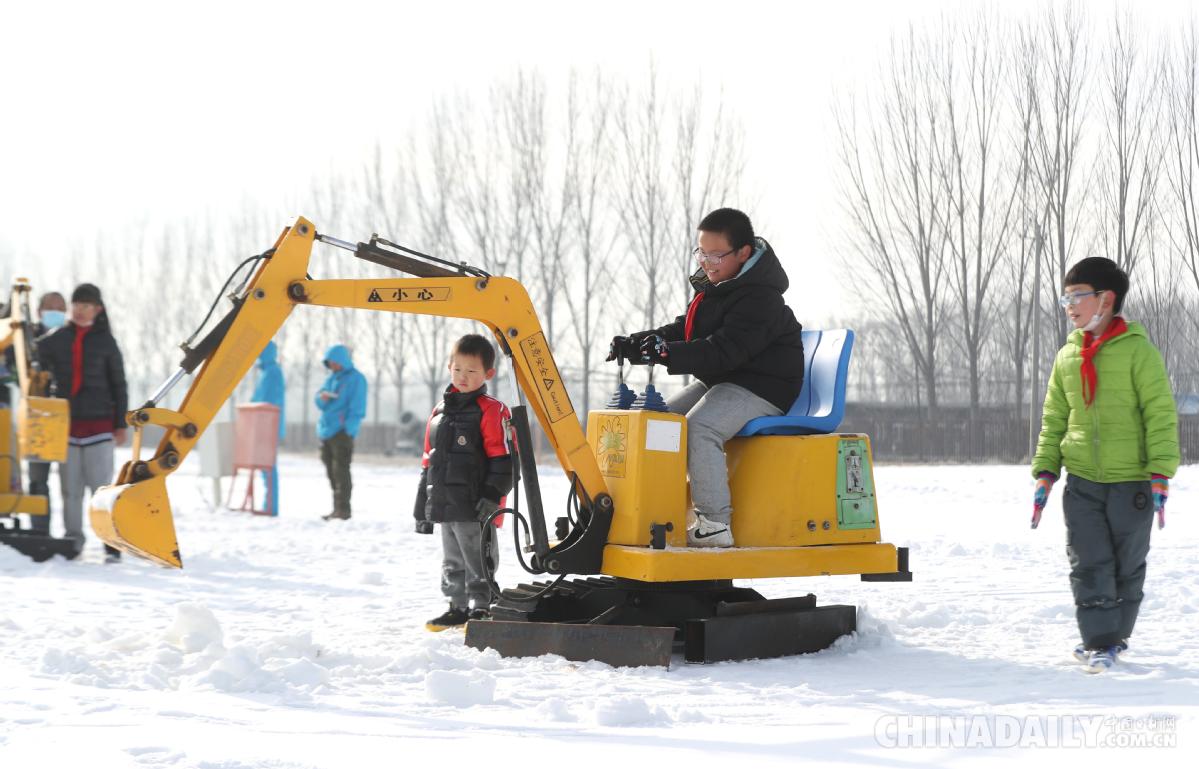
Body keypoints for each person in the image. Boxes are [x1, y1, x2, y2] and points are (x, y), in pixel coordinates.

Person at [607, 208, 804, 548]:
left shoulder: (761, 298)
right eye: (701, 252)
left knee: (700, 428)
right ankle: (656, 507)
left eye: (715, 255)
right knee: (660, 422)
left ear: (744, 253)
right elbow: (684, 330)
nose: (706, 262)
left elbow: (725, 350)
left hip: (763, 386)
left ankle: (714, 524)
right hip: (725, 381)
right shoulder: (718, 287)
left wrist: (668, 353)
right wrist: (639, 344)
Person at [1031, 257, 1179, 672]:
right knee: (1088, 560)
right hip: (1082, 482)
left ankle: (1115, 637)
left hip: (1131, 482)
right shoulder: (1067, 357)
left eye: (1078, 296)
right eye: (1066, 297)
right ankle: (1098, 640)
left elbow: (1160, 414)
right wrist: (1045, 470)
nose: (1069, 305)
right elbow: (1054, 419)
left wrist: (1160, 472)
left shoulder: (1139, 353)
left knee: (1126, 565)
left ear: (1106, 299)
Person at [413, 334, 514, 631]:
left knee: (477, 558)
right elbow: (428, 461)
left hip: (476, 505)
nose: (463, 377)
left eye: (471, 371)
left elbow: (503, 460)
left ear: (488, 374)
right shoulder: (439, 413)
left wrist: (492, 496)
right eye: (458, 370)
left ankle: (482, 607)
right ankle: (456, 606)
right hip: (446, 505)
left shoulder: (492, 410)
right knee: (452, 559)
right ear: (449, 367)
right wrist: (423, 506)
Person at [37, 284, 127, 561]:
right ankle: (72, 539)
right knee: (70, 489)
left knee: (101, 489)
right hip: (66, 426)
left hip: (99, 426)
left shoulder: (106, 342)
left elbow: (119, 384)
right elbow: (32, 354)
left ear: (97, 309)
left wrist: (120, 423)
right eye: (76, 304)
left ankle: (110, 542)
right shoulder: (56, 339)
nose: (79, 310)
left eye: (85, 305)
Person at [23, 292, 68, 521]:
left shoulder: (68, 338)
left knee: (71, 484)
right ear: (40, 311)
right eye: (51, 307)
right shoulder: (26, 337)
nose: (56, 312)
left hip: (66, 415)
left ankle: (73, 532)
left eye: (61, 308)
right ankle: (39, 529)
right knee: (38, 478)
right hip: (37, 417)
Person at [314, 344, 366, 521]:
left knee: (341, 470)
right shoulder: (331, 379)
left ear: (342, 360)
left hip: (342, 432)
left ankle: (343, 510)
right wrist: (322, 398)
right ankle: (336, 508)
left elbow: (358, 406)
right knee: (330, 470)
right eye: (329, 363)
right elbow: (319, 400)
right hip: (326, 431)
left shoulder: (357, 379)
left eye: (334, 362)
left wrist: (348, 428)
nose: (332, 366)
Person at [251, 340, 286, 516]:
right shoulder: (267, 373)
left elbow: (268, 399)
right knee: (265, 467)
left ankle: (271, 506)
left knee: (268, 466)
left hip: (268, 425)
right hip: (262, 424)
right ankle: (268, 504)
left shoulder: (273, 372)